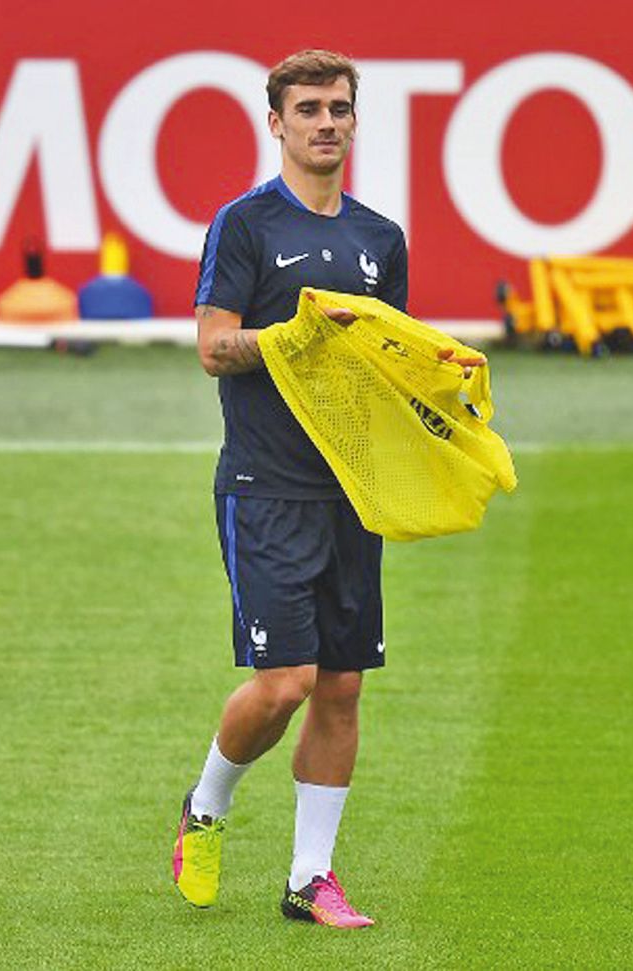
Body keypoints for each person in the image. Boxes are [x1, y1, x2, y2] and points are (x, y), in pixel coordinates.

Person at [172, 49, 409, 929]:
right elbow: (214, 348)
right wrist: (298, 331)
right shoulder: (245, 225)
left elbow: (386, 360)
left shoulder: (381, 239)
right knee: (286, 682)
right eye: (307, 108)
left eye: (339, 108)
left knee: (341, 687)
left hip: (352, 490)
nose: (326, 122)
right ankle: (205, 805)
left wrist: (437, 385)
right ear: (276, 124)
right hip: (264, 486)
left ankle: (311, 878)